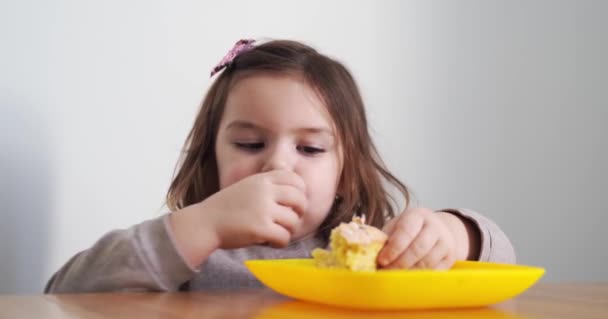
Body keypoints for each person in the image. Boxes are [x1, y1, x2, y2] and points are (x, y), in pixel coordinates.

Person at [45, 39, 515, 293]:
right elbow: (65, 292)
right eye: (250, 143)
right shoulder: (193, 254)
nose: (277, 165)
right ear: (212, 156)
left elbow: (503, 259)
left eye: (310, 150)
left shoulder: (379, 253)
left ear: (345, 173)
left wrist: (456, 236)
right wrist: (200, 226)